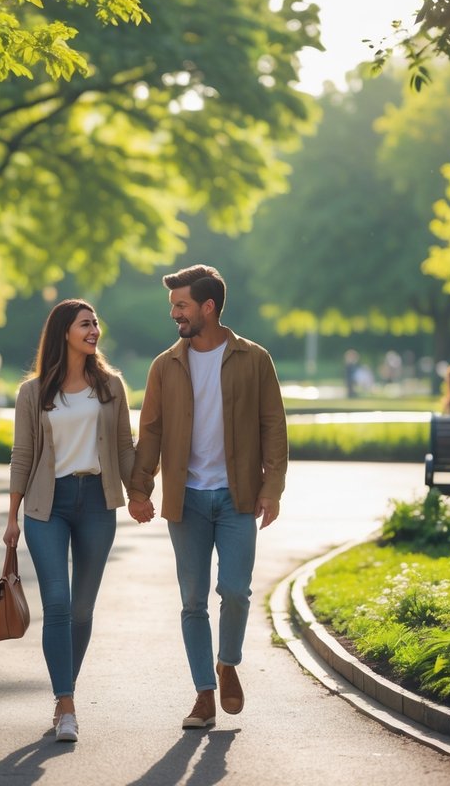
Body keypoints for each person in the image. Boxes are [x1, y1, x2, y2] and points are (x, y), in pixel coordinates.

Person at [126, 264, 288, 730]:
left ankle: (227, 662)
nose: (174, 313)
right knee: (193, 601)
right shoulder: (165, 365)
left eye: (181, 305)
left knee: (235, 591)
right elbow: (150, 432)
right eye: (173, 305)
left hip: (238, 498)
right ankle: (203, 694)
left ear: (208, 307)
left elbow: (273, 426)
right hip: (188, 501)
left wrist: (271, 488)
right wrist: (140, 489)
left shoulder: (254, 359)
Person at [3, 299, 144, 744]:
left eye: (96, 323)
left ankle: (65, 691)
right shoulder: (33, 392)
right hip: (48, 506)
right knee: (59, 604)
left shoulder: (112, 387)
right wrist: (12, 517)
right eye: (86, 324)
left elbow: (124, 447)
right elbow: (22, 455)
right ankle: (66, 704)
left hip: (97, 504)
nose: (94, 330)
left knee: (82, 609)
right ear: (65, 331)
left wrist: (140, 491)